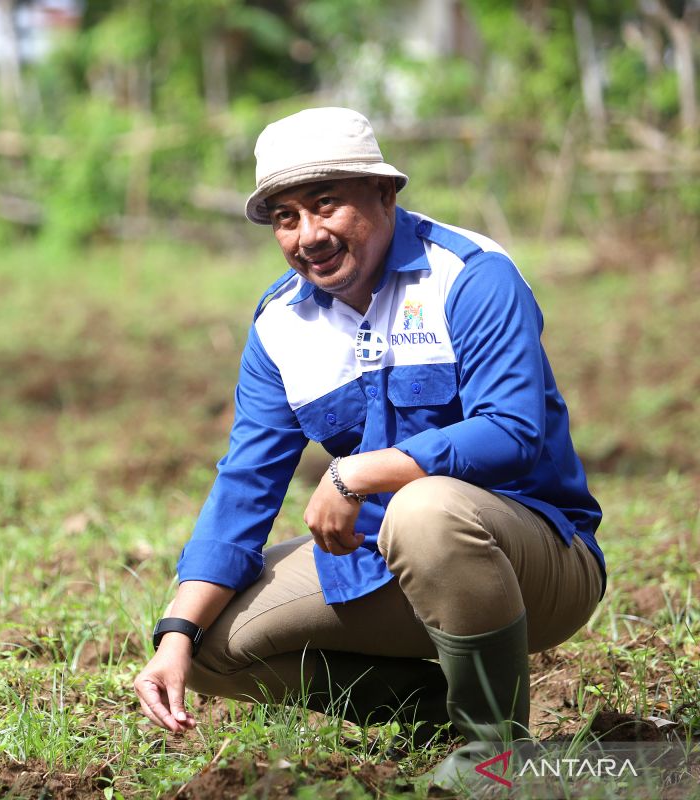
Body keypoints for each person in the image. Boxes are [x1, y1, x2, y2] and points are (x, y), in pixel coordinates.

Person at [132, 107, 605, 792]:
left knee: (426, 509)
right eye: (286, 217)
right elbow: (244, 484)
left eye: (326, 204)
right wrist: (174, 636)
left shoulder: (469, 276)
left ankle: (497, 756)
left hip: (535, 562)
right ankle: (438, 708)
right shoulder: (281, 327)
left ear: (384, 193)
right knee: (206, 647)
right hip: (379, 562)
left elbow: (513, 430)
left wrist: (361, 471)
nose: (309, 235)